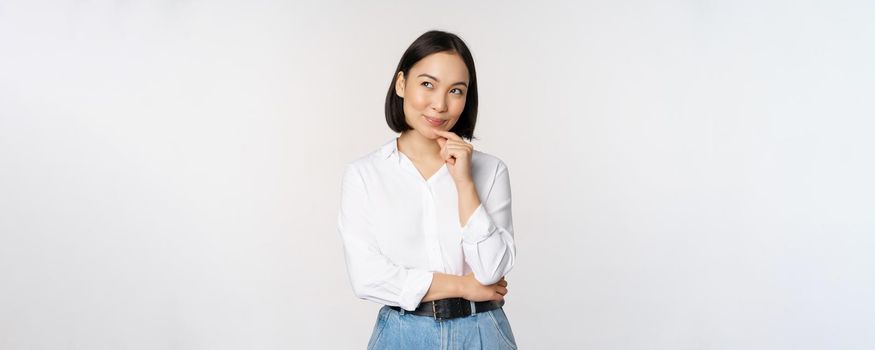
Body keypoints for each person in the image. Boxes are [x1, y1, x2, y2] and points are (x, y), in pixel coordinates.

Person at [337, 30, 518, 349]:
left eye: (456, 91)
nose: (440, 105)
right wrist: (464, 286)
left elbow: (491, 270)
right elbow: (367, 278)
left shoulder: (490, 171)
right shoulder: (365, 175)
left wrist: (464, 184)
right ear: (401, 84)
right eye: (427, 84)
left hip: (482, 333)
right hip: (403, 334)